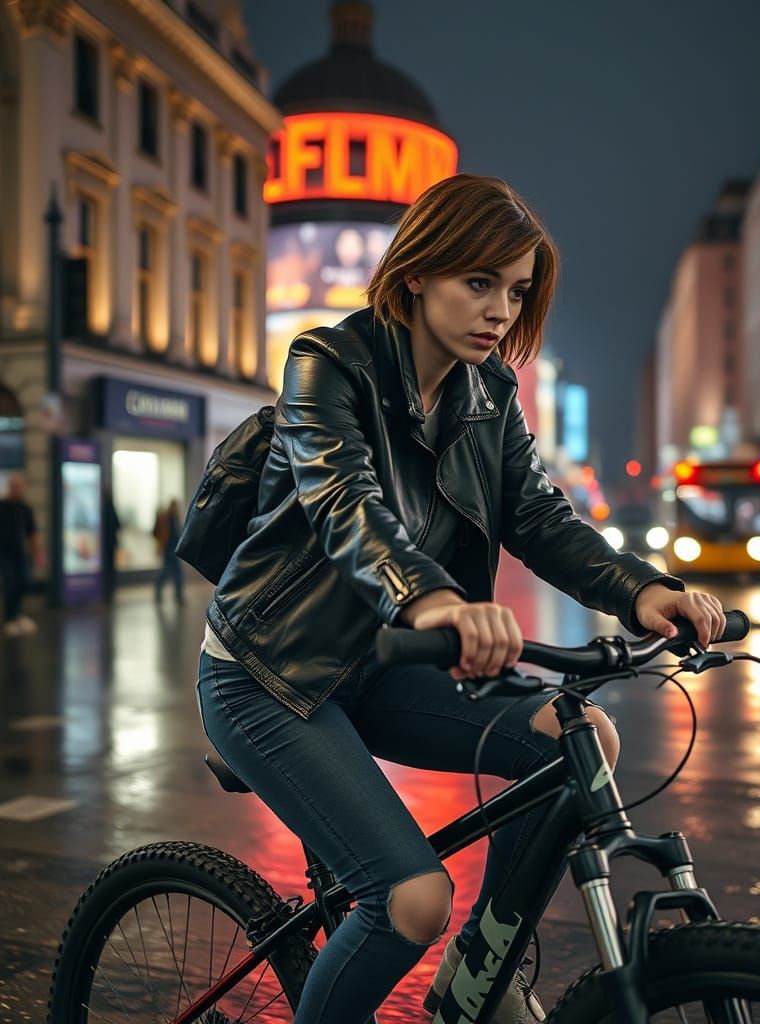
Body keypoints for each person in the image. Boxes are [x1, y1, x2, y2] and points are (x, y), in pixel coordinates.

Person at [196, 174, 727, 1024]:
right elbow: (344, 503)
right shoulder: (327, 364)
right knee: (410, 902)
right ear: (417, 274)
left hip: (383, 664)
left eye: (516, 292)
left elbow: (540, 517)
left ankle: (482, 972)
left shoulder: (491, 397)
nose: (501, 312)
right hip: (272, 673)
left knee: (582, 737)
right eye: (478, 283)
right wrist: (433, 603)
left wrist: (644, 590)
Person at [0, 473, 42, 636]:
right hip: (4, 552)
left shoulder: (25, 508)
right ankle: (9, 618)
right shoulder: (2, 507)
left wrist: (38, 552)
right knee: (10, 583)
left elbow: (32, 532)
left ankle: (17, 614)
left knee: (23, 581)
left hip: (19, 552)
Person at [154, 499, 184, 604]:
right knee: (167, 572)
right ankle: (158, 590)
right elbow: (161, 534)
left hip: (175, 549)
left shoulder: (176, 518)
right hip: (168, 550)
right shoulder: (167, 519)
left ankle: (179, 595)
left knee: (177, 573)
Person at [101, 486, 121, 603]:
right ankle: (110, 588)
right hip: (111, 543)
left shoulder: (102, 509)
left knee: (107, 566)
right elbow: (118, 524)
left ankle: (107, 588)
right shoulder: (111, 508)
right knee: (110, 567)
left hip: (105, 545)